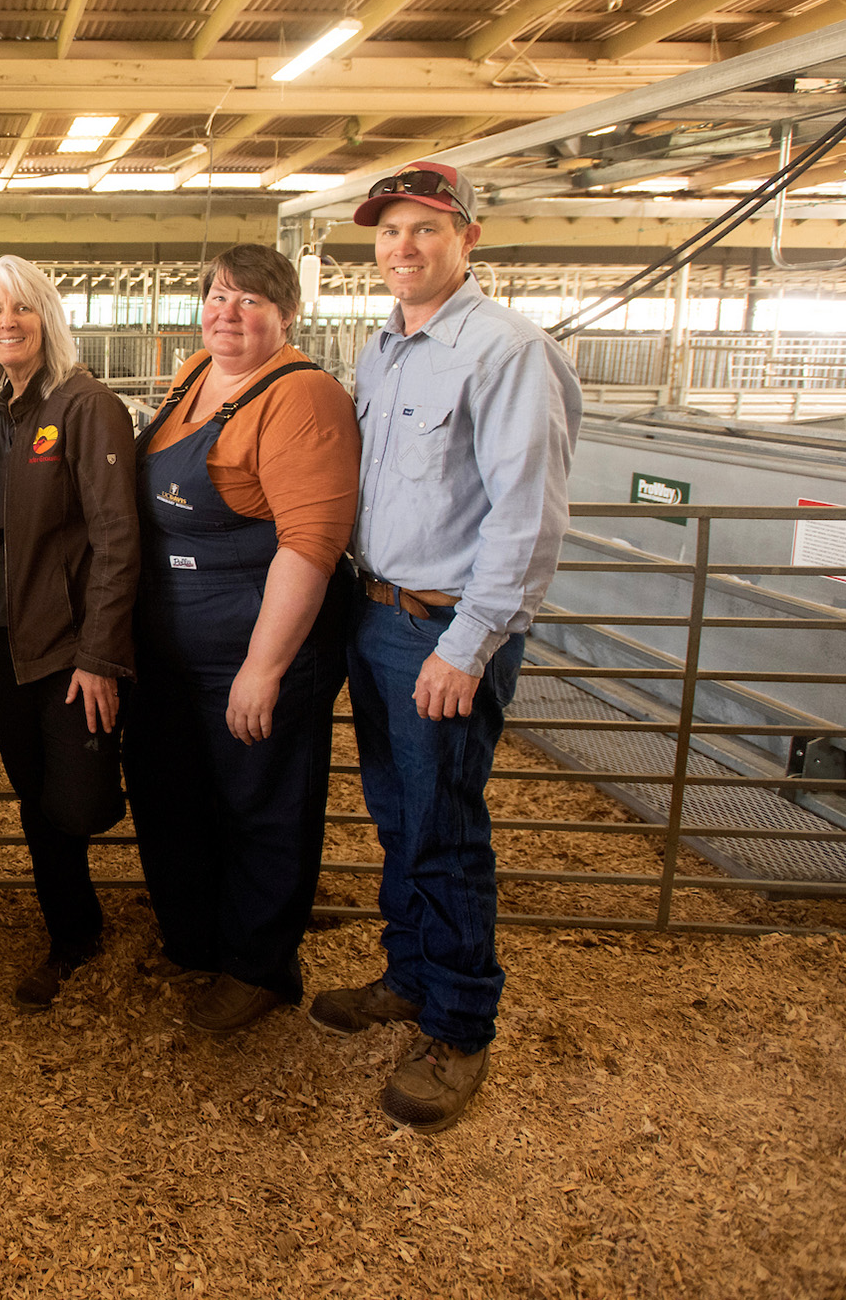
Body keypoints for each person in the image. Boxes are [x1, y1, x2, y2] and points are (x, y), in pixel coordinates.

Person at [309, 163, 581, 1131]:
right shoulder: (382, 350)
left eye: (423, 229)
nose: (401, 248)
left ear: (466, 238)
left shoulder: (505, 351)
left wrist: (465, 647)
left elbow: (526, 519)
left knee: (443, 827)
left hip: (442, 627)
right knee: (394, 814)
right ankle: (409, 975)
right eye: (387, 232)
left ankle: (460, 1025)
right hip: (375, 613)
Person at [124, 245, 359, 1035]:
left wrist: (264, 667)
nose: (230, 313)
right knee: (174, 792)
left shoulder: (304, 397)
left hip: (251, 639)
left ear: (286, 312)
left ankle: (259, 966)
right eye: (219, 297)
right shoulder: (198, 374)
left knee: (261, 801)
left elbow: (310, 543)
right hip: (173, 641)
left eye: (251, 300)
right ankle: (197, 940)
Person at [0, 254, 139, 1013]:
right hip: (3, 639)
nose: (6, 323)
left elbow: (117, 538)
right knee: (34, 792)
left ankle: (94, 926)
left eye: (20, 308)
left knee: (75, 798)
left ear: (47, 316)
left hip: (64, 646)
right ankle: (74, 930)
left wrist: (99, 656)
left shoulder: (86, 405)